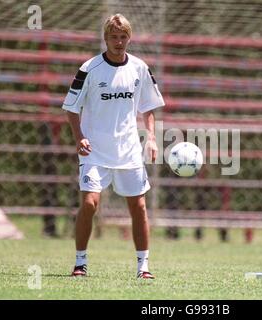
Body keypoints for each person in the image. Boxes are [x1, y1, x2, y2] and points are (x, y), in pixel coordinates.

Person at [62, 14, 165, 279]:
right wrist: (79, 137)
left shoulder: (140, 68)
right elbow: (71, 109)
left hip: (129, 151)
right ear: (105, 38)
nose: (119, 42)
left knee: (139, 207)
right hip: (94, 151)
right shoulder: (89, 69)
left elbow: (149, 106)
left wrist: (151, 137)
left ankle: (143, 267)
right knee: (89, 204)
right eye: (114, 37)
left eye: (123, 37)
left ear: (129, 38)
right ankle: (80, 262)